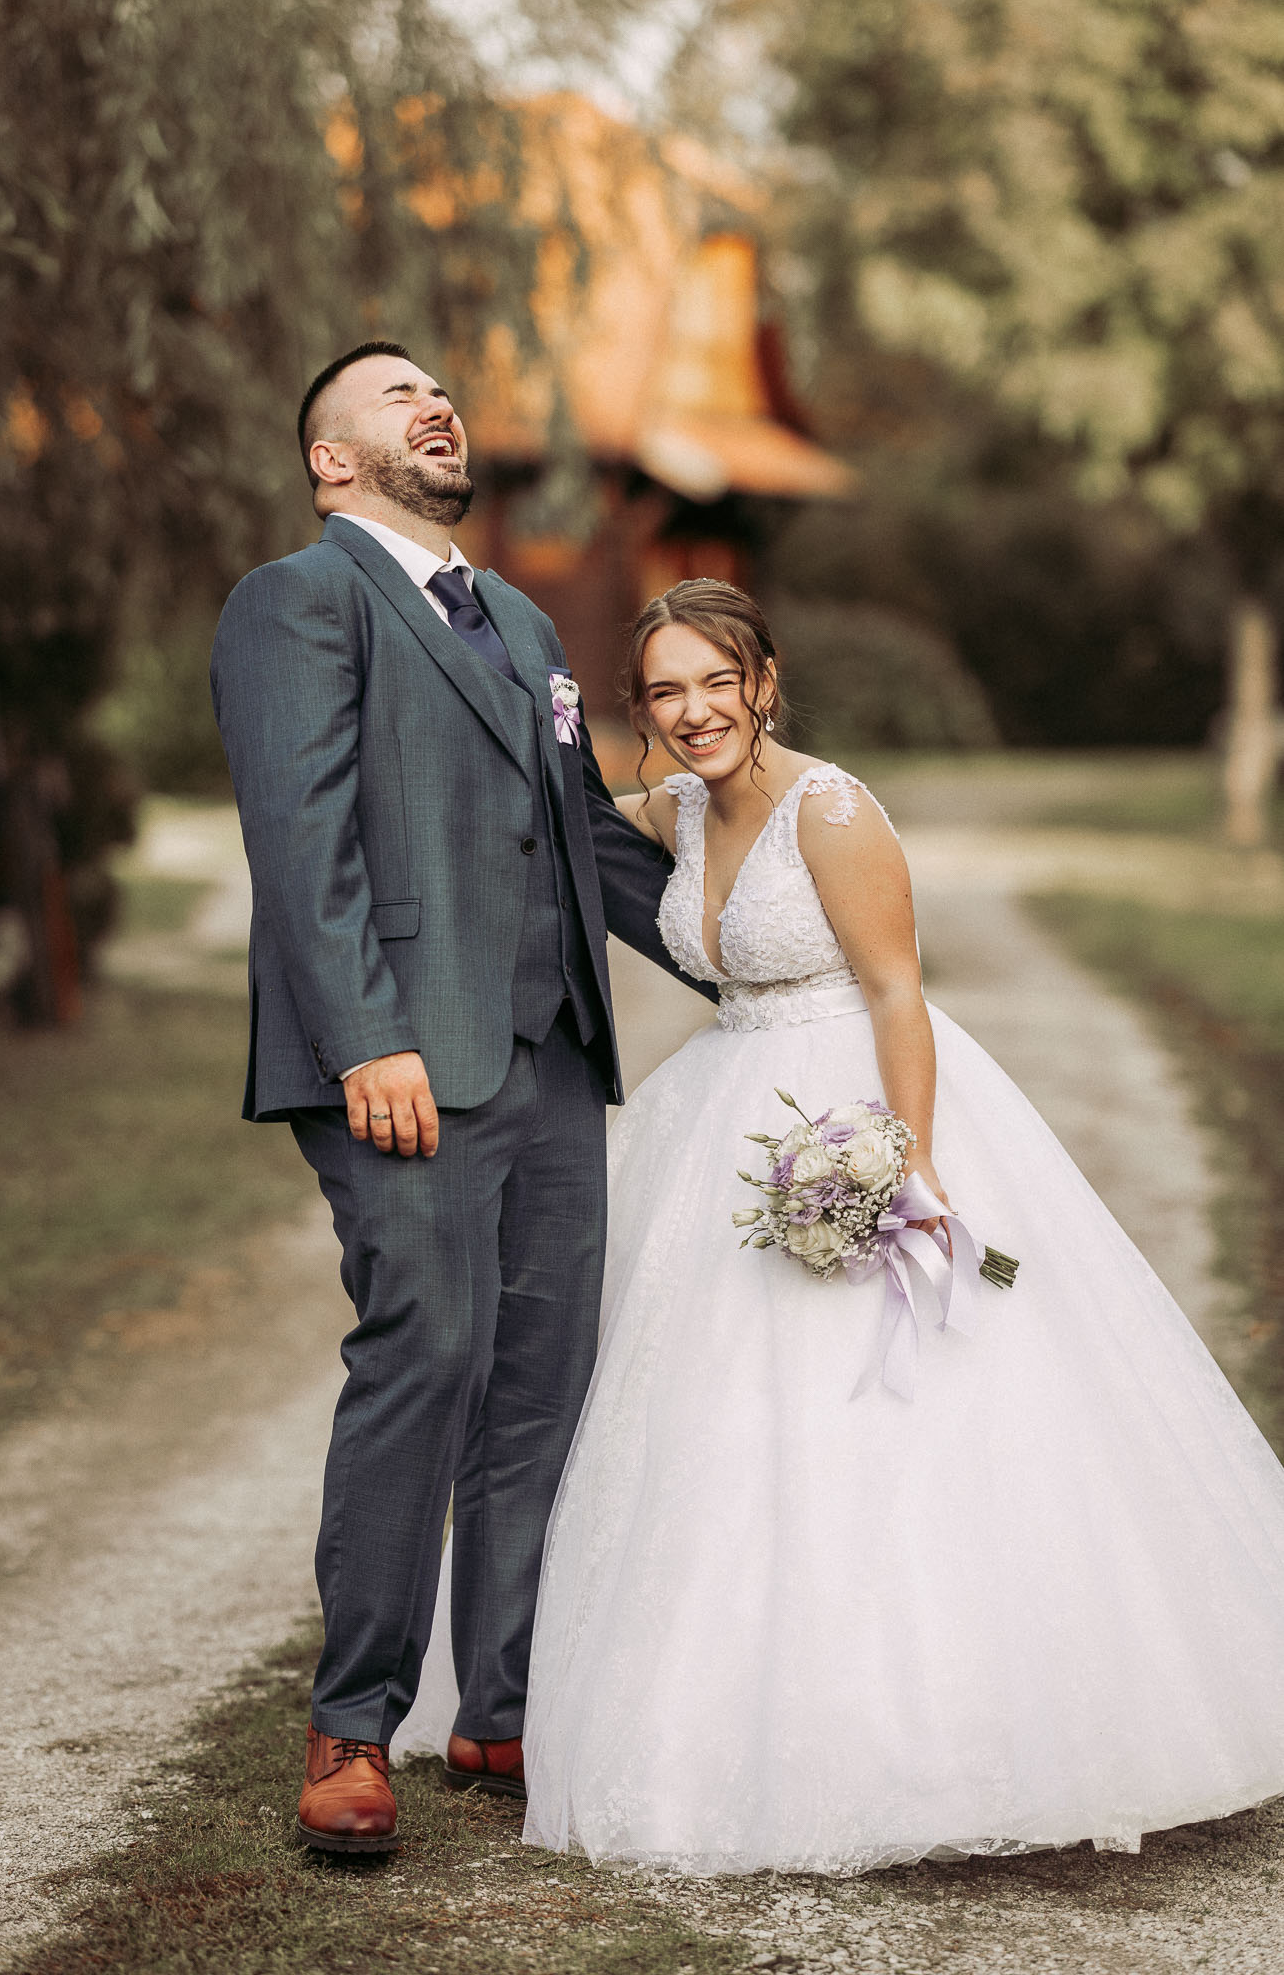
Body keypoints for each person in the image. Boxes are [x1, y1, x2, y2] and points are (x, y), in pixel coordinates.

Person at [517, 577, 1284, 1876]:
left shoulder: (832, 810)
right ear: (640, 709)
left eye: (718, 682)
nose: (695, 712)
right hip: (723, 1113)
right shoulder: (678, 807)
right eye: (666, 692)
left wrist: (906, 1169)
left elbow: (893, 990)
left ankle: (948, 1723)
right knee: (703, 1409)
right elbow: (563, 806)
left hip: (854, 1101)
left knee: (900, 1401)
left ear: (764, 683)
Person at [209, 342, 712, 1856]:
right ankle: (351, 1728)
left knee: (541, 1380)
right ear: (330, 459)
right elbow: (301, 837)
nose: (435, 404)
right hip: (403, 1061)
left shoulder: (521, 621)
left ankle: (500, 1706)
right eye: (394, 395)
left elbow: (582, 838)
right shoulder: (298, 601)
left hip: (551, 1053)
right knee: (426, 1358)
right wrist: (367, 1039)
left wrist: (753, 953)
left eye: (440, 390)